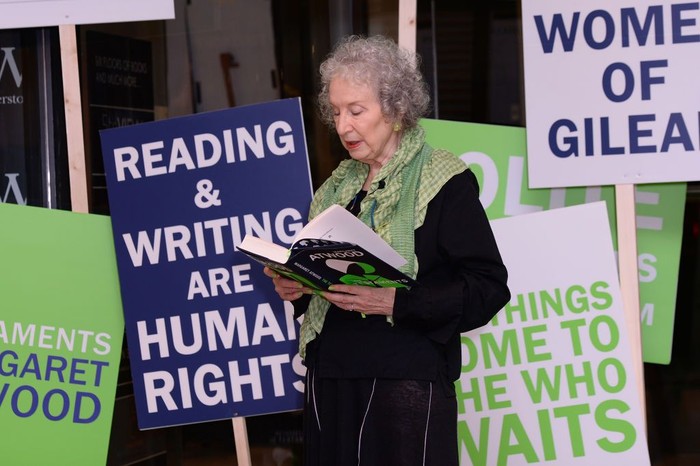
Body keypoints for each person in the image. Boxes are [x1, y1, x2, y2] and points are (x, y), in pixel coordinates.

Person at [264, 35, 510, 466]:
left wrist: (396, 300)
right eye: (337, 111)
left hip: (405, 383)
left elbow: (488, 287)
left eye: (356, 111)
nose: (342, 126)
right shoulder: (335, 189)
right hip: (332, 382)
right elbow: (330, 288)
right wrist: (298, 286)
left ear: (396, 111)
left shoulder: (445, 180)